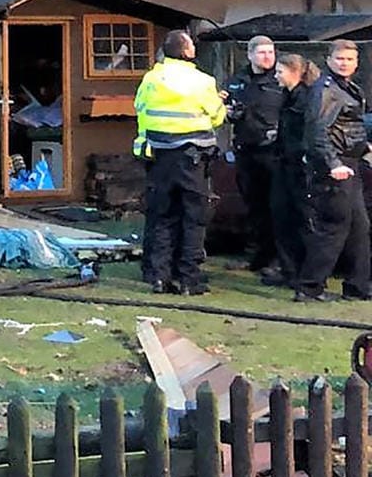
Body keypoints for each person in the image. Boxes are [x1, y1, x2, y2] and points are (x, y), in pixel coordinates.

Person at [135, 29, 227, 294]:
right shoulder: (202, 81)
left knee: (162, 216)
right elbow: (216, 117)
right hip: (191, 157)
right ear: (188, 52)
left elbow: (140, 108)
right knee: (193, 218)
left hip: (159, 156)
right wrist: (220, 105)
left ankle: (159, 277)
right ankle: (189, 278)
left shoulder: (151, 78)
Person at [293, 40, 370, 302]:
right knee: (333, 227)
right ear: (329, 60)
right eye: (339, 58)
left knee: (360, 227)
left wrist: (365, 151)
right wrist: (333, 164)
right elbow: (316, 131)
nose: (344, 63)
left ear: (356, 62)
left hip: (350, 163)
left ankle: (358, 286)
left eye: (349, 59)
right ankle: (309, 286)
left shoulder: (348, 88)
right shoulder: (326, 90)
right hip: (333, 168)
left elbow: (349, 129)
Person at [223, 35, 285, 279]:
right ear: (250, 55)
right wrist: (229, 112)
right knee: (254, 206)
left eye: (271, 52)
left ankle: (278, 259)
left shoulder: (280, 79)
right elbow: (223, 108)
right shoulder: (238, 80)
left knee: (277, 207)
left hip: (274, 152)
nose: (268, 57)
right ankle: (259, 256)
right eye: (262, 53)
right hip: (246, 151)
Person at [270, 53, 318, 286]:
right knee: (282, 217)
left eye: (280, 71)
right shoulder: (288, 96)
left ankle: (305, 272)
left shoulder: (305, 98)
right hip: (285, 163)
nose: (276, 75)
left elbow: (306, 134)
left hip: (299, 166)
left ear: (295, 73)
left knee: (301, 219)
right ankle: (289, 270)